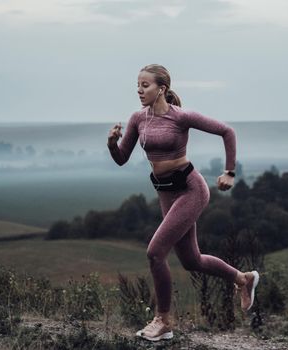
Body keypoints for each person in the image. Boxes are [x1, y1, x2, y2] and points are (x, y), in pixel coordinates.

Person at [107, 64, 260, 342]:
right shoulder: (138, 119)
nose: (139, 90)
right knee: (191, 260)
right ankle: (243, 279)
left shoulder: (181, 117)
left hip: (191, 189)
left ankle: (163, 321)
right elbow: (121, 159)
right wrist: (112, 143)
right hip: (166, 193)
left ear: (161, 88)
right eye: (137, 85)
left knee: (155, 253)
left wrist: (229, 172)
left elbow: (227, 131)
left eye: (146, 85)